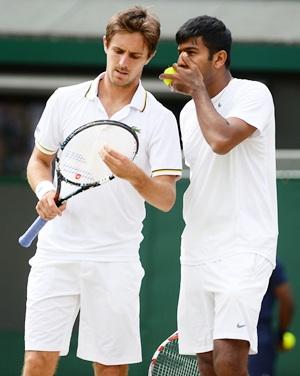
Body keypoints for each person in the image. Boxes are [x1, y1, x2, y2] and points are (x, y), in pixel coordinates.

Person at [22, 7, 182, 376]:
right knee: (37, 361)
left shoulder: (159, 118)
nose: (123, 62)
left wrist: (134, 175)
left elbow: (165, 198)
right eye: (118, 51)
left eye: (135, 56)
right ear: (106, 44)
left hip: (115, 259)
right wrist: (45, 190)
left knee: (110, 369)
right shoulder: (65, 100)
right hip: (56, 254)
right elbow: (38, 161)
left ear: (150, 57)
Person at [160, 15, 278, 376]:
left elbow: (222, 140)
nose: (182, 61)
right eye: (180, 52)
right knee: (207, 362)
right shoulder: (187, 115)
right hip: (197, 250)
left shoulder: (254, 94)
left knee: (229, 357)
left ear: (219, 58)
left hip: (244, 246)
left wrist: (197, 90)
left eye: (192, 52)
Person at [248, 260, 295, 376]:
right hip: (260, 339)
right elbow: (287, 300)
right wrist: (282, 332)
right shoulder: (271, 261)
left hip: (227, 336)